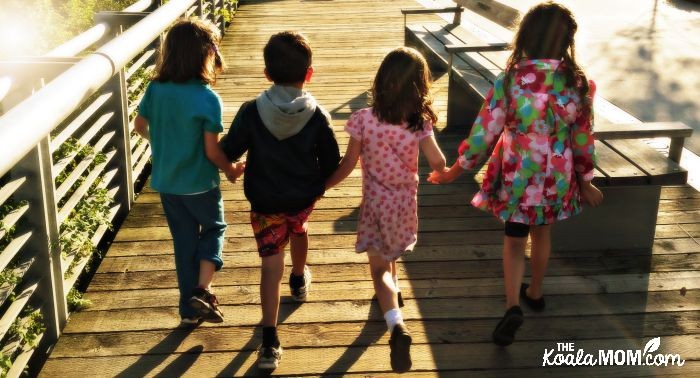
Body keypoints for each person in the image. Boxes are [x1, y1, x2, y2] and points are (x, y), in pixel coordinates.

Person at [428, 2, 604, 346]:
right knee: (541, 234)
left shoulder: (511, 80)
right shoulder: (578, 83)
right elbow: (583, 137)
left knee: (513, 240)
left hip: (516, 177)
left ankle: (512, 305)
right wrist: (586, 180)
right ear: (567, 40)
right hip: (556, 178)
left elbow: (485, 132)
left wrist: (457, 169)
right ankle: (535, 292)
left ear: (525, 36)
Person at [219, 31, 341, 370]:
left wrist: (226, 162)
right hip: (302, 198)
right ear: (309, 73)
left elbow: (229, 150)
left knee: (271, 263)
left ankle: (269, 340)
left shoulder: (250, 111)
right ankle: (300, 278)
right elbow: (330, 164)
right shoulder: (318, 117)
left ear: (267, 74)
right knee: (300, 227)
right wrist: (317, 188)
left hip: (265, 201)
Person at [325, 47, 447, 373]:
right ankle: (394, 294)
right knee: (392, 254)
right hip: (405, 202)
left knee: (379, 269)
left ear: (381, 82)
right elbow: (438, 162)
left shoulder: (363, 120)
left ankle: (396, 324)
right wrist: (439, 173)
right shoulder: (420, 124)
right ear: (419, 87)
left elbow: (348, 164)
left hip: (375, 203)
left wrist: (323, 186)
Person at [134, 19, 244, 327]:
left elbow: (140, 127)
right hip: (200, 184)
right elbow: (212, 152)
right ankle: (202, 290)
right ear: (206, 55)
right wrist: (232, 169)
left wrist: (163, 141)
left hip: (168, 184)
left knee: (184, 244)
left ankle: (187, 312)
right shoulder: (208, 98)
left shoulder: (155, 89)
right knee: (213, 230)